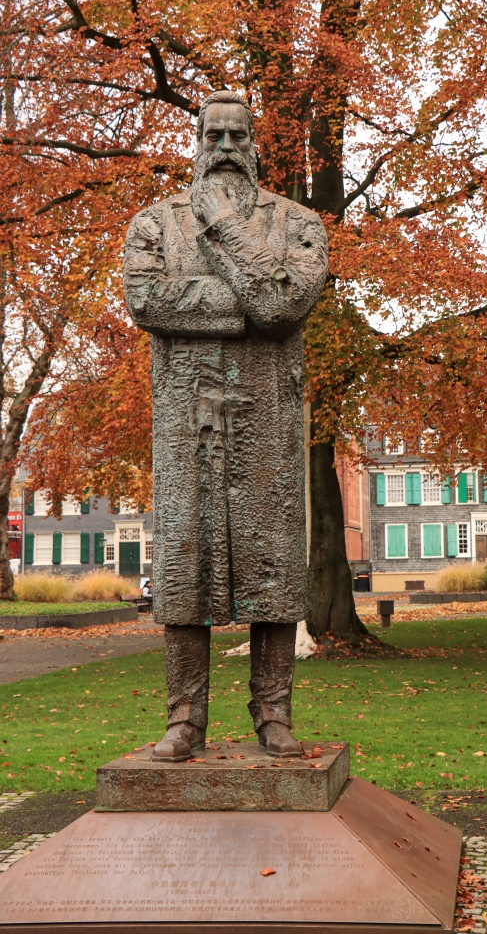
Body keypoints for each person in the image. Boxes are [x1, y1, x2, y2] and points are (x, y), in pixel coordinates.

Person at [124, 90, 328, 762]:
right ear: (195, 142)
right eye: (213, 135)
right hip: (185, 421)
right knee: (185, 567)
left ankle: (273, 715)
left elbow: (282, 303)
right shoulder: (153, 223)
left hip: (267, 421)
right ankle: (185, 720)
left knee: (273, 568)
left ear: (256, 145)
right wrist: (246, 299)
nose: (225, 147)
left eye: (238, 136)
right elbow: (149, 299)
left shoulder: (298, 223)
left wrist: (224, 234)